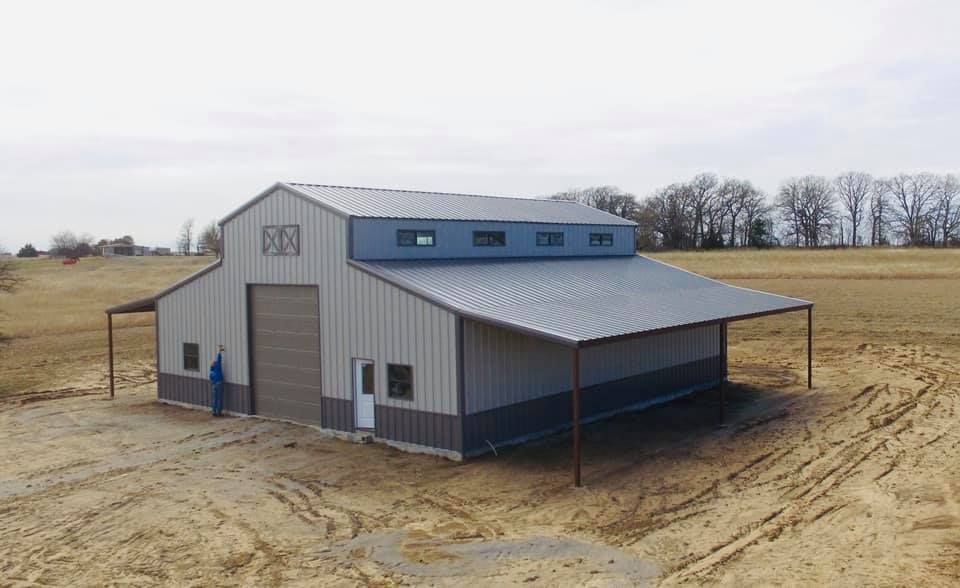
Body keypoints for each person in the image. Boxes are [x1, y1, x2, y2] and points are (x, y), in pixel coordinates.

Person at [209, 345, 225, 416]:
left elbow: (211, 380)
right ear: (215, 365)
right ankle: (218, 412)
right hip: (219, 384)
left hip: (214, 385)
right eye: (214, 362)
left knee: (215, 399)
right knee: (219, 399)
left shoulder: (211, 373)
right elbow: (219, 359)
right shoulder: (218, 368)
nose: (214, 362)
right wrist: (220, 350)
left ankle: (214, 412)